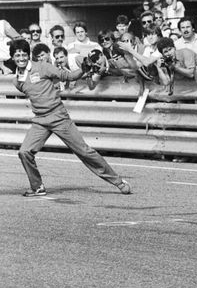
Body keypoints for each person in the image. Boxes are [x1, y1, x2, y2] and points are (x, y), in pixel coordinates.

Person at [10, 39, 131, 197]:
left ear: (28, 55)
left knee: (84, 151)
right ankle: (37, 187)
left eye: (23, 54)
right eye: (17, 55)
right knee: (24, 152)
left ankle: (118, 182)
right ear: (12, 57)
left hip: (58, 116)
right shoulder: (16, 80)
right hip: (40, 120)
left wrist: (83, 68)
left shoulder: (42, 66)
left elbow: (68, 76)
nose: (21, 58)